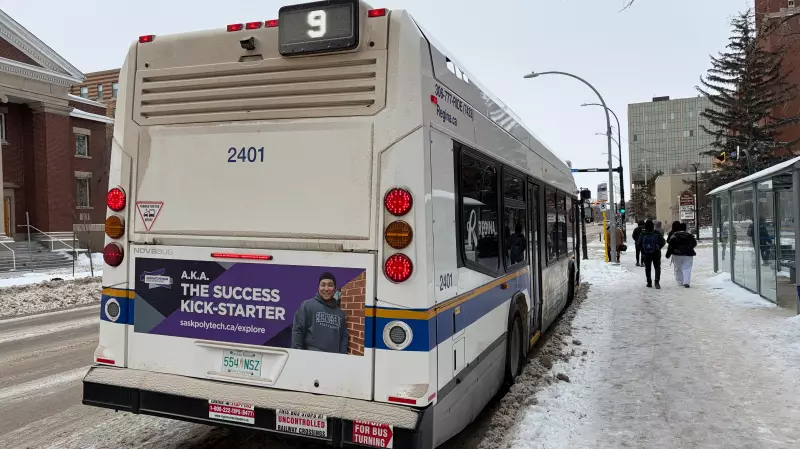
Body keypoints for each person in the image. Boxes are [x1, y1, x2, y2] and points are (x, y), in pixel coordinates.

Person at [291, 272, 349, 354]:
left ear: (335, 289)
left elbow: (344, 338)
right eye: (323, 285)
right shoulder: (307, 306)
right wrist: (297, 356)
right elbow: (298, 332)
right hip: (311, 359)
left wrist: (342, 358)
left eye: (330, 285)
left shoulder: (340, 314)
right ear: (318, 287)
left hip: (332, 360)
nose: (326, 288)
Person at [637, 219, 666, 289]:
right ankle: (657, 282)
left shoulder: (642, 234)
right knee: (657, 267)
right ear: (653, 226)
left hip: (646, 254)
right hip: (656, 253)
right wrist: (658, 247)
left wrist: (643, 250)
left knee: (648, 268)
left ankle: (649, 282)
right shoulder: (657, 233)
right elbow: (663, 242)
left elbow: (638, 244)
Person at [668, 223, 698, 288]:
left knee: (678, 268)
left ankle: (680, 282)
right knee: (687, 268)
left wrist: (668, 254)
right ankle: (686, 282)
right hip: (688, 254)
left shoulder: (674, 235)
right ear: (685, 228)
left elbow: (670, 245)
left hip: (676, 255)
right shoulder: (689, 235)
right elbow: (694, 244)